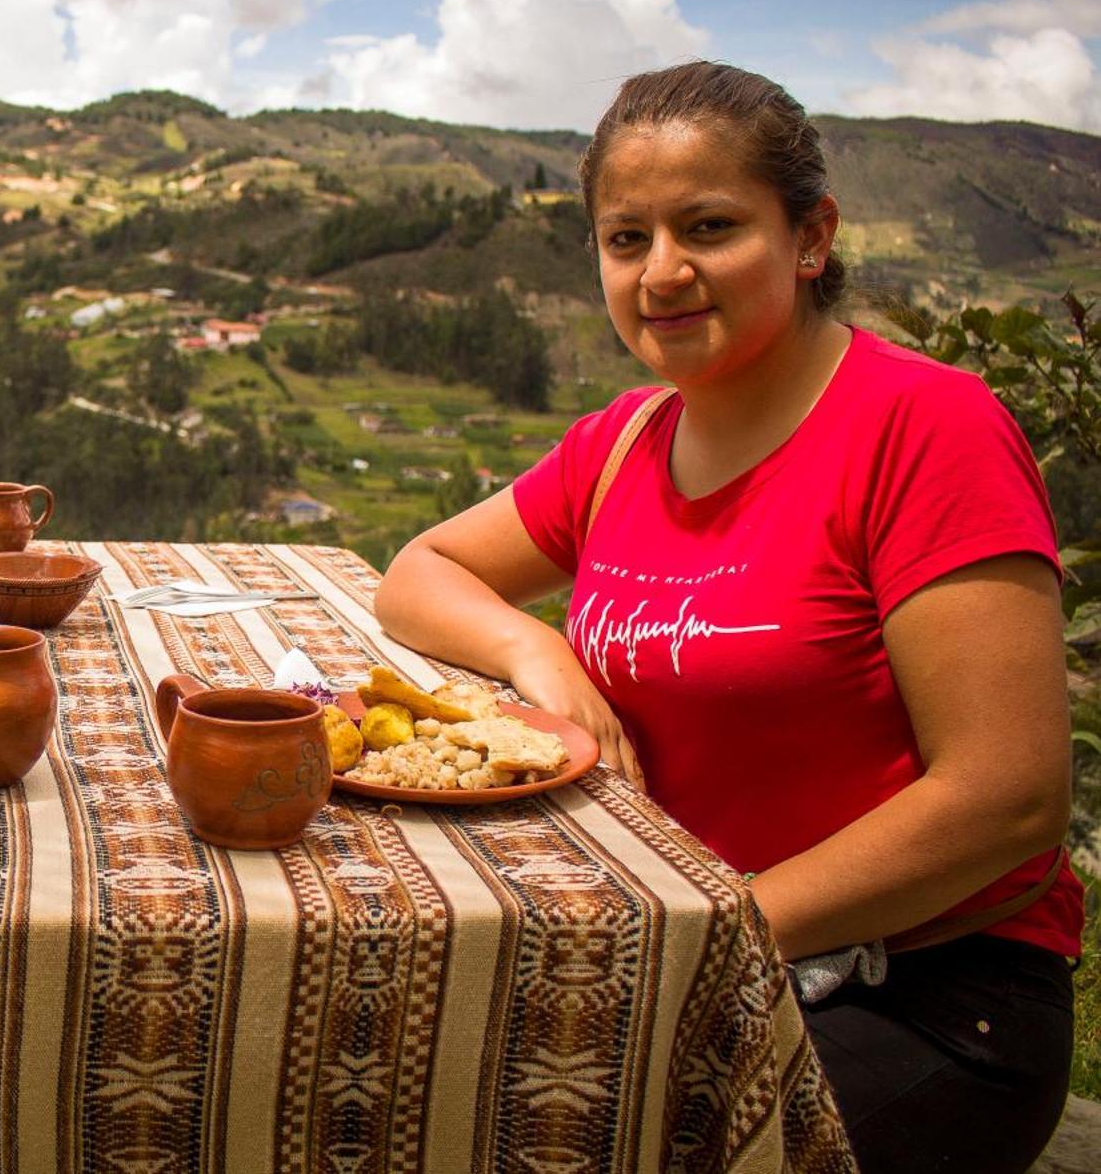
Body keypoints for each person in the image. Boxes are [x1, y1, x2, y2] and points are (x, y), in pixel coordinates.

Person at [374, 61, 1079, 1173]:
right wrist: (538, 651)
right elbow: (419, 570)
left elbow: (1008, 794)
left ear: (809, 237)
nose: (661, 273)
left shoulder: (920, 428)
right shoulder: (624, 444)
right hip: (694, 962)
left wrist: (703, 937)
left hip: (916, 991)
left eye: (707, 226)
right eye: (624, 239)